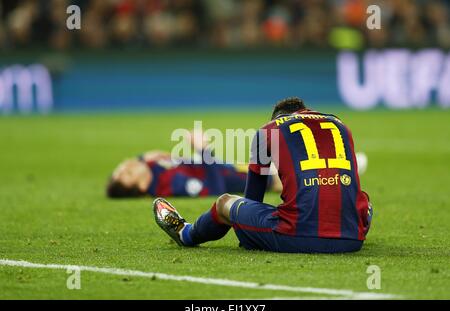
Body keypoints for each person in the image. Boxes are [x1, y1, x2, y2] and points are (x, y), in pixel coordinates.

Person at [153, 97, 372, 253]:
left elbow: (253, 200)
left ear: (277, 117)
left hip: (296, 236)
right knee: (364, 201)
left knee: (226, 203)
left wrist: (250, 236)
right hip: (352, 239)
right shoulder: (341, 126)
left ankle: (186, 233)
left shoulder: (268, 130)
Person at [106, 132, 282, 198]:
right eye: (127, 174)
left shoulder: (151, 168)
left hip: (241, 167)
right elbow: (215, 190)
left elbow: (137, 162)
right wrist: (203, 149)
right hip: (261, 178)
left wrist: (143, 157)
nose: (127, 166)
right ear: (142, 186)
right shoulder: (173, 183)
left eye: (120, 168)